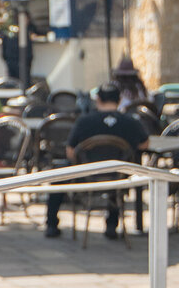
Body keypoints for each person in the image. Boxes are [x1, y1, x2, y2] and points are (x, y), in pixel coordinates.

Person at [44, 82, 149, 239]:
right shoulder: (131, 122)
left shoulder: (84, 121)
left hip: (87, 177)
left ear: (98, 99)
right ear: (119, 100)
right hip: (118, 177)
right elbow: (145, 144)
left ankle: (51, 225)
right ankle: (112, 225)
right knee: (116, 169)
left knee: (58, 175)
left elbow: (70, 152)